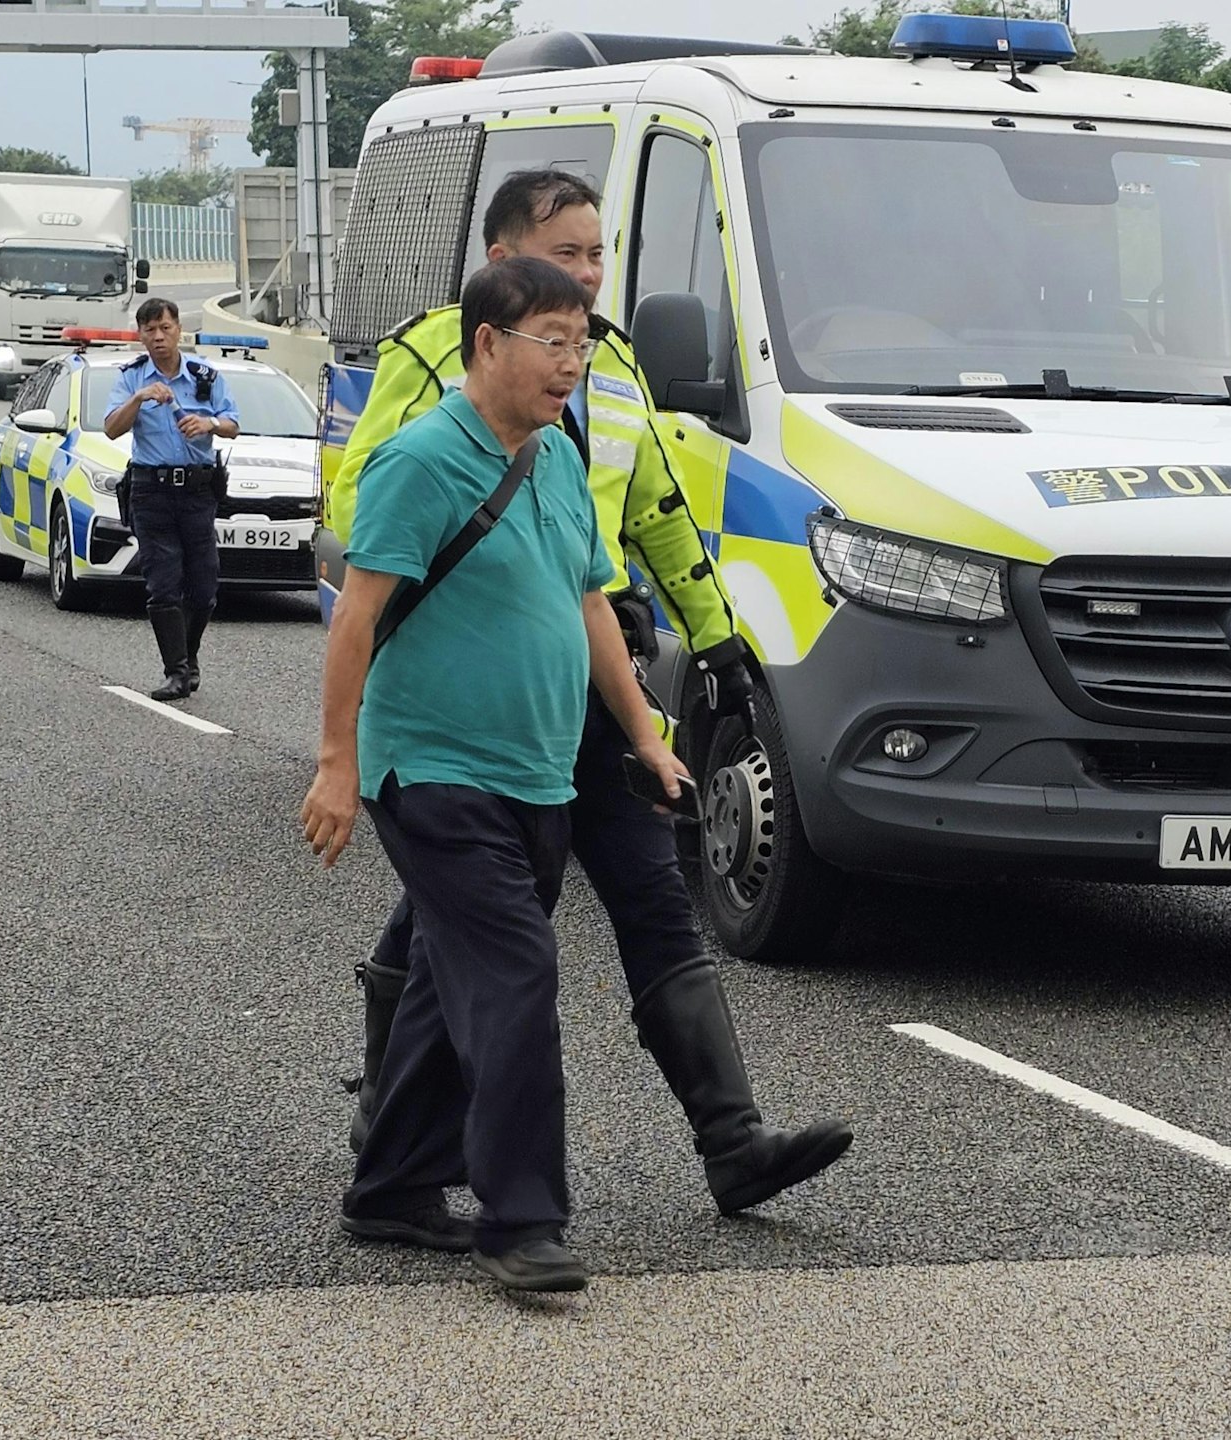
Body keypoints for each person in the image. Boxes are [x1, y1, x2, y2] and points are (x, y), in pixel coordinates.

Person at [331, 170, 853, 1216]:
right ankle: (399, 1140)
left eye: (596, 253)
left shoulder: (606, 362)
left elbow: (653, 507)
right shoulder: (434, 355)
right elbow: (359, 502)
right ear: (501, 263)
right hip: (465, 698)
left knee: (653, 899)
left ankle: (733, 1142)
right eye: (562, 253)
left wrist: (716, 636)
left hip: (591, 678)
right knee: (462, 926)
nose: (587, 272)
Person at [303, 258, 688, 1294]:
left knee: (448, 981)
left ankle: (391, 1188)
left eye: (581, 345)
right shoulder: (420, 461)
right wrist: (337, 763)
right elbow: (357, 616)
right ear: (486, 344)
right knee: (515, 971)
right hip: (433, 770)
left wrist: (646, 735)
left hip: (539, 774)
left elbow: (591, 603)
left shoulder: (555, 458)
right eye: (551, 342)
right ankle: (523, 1220)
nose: (571, 364)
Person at [102, 296, 240, 702]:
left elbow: (233, 423)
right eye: (150, 330)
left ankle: (188, 655)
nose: (159, 337)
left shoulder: (204, 376)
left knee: (204, 586)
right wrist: (139, 399)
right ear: (141, 335)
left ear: (179, 329)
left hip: (198, 490)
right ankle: (176, 671)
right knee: (163, 584)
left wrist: (209, 423)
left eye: (165, 328)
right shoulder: (132, 377)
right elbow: (111, 428)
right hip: (152, 490)